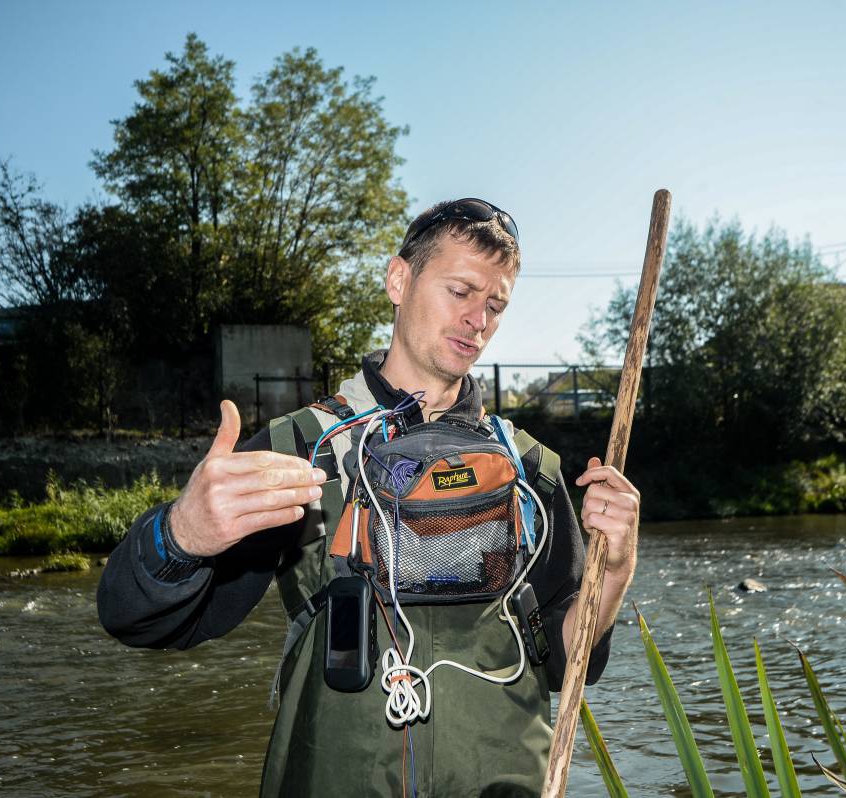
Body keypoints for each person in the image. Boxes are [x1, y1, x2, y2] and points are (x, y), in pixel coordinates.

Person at [97, 198, 640, 796]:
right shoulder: (300, 450)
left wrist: (614, 572)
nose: (477, 320)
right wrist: (180, 536)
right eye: (460, 291)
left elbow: (566, 664)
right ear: (398, 280)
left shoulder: (532, 471)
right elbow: (134, 619)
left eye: (495, 305)